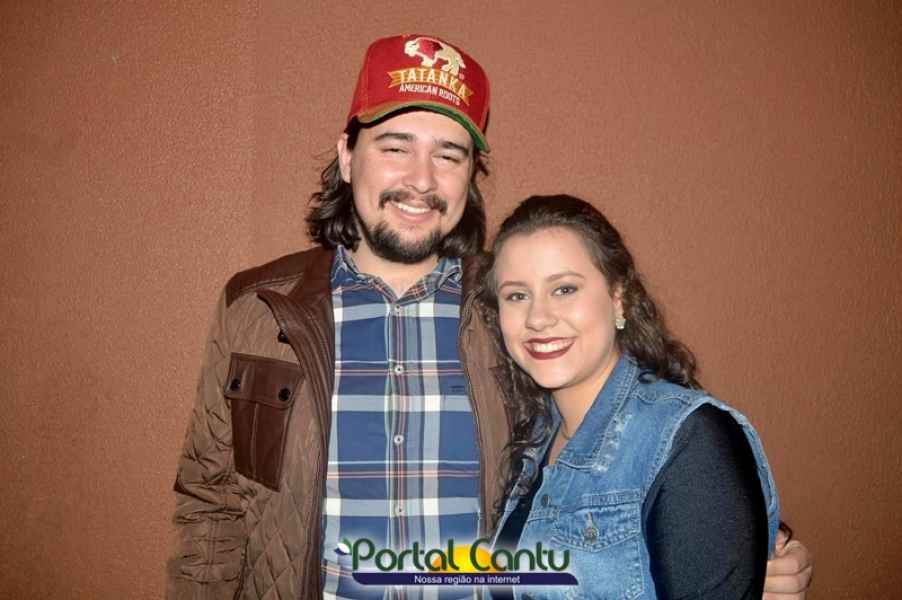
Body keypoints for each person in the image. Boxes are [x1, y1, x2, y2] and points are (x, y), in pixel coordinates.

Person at [166, 34, 812, 600]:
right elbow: (210, 507)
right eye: (395, 147)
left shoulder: (507, 309)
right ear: (347, 155)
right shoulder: (257, 307)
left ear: (471, 176)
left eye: (449, 155)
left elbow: (623, 427)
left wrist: (755, 542)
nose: (422, 179)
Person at [481, 194, 791, 598]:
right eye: (517, 295)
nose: (538, 318)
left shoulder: (689, 438)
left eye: (564, 289)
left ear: (618, 297)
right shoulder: (534, 441)